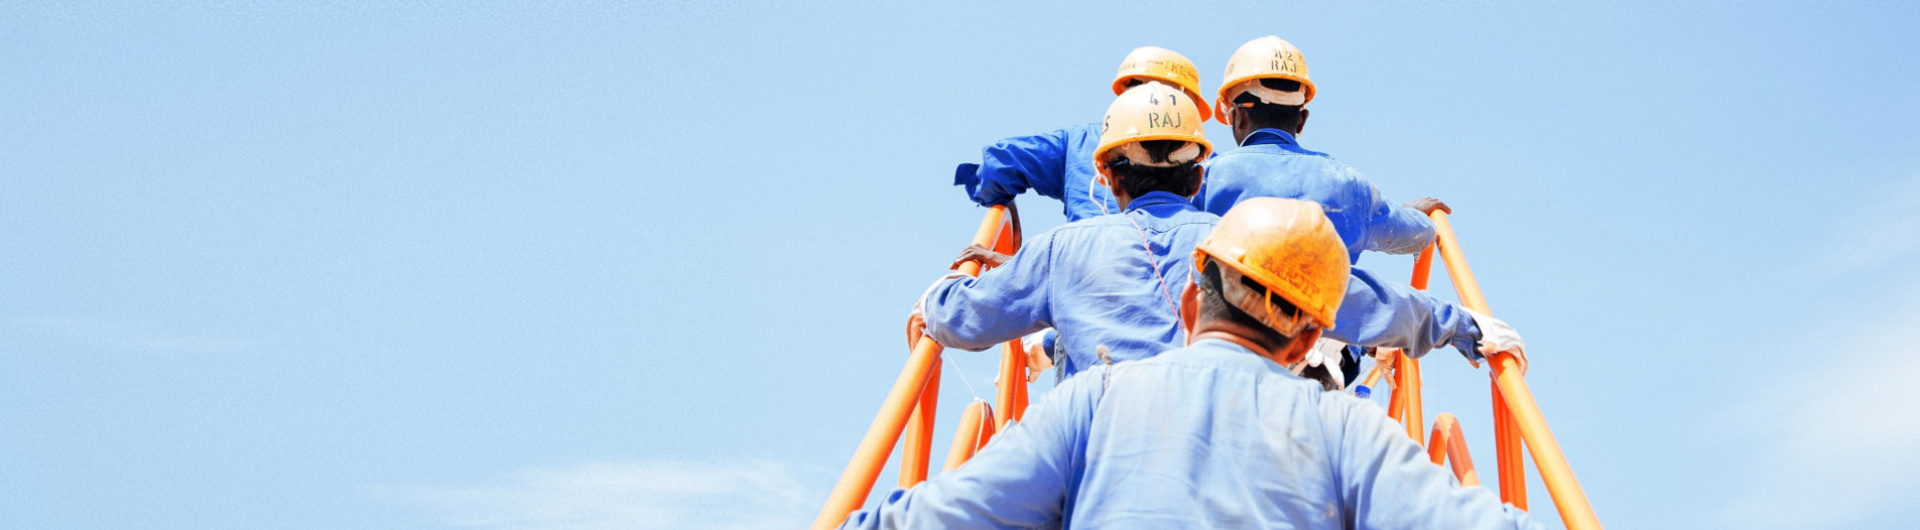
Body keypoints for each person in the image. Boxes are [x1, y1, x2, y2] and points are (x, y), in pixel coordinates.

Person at [841, 198, 1538, 529]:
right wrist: (1459, 322)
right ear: (1307, 345)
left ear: (1188, 300)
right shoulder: (1350, 431)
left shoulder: (1091, 402)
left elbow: (937, 518)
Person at [1195, 36, 1461, 384]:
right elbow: (1416, 235)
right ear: (1301, 119)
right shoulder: (1348, 183)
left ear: (1238, 115)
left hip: (1227, 351)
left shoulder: (1206, 177)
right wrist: (1417, 213)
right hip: (1322, 351)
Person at [909, 81, 1217, 379]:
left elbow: (962, 315)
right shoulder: (1233, 242)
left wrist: (933, 299)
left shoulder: (1061, 249)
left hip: (1100, 408)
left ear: (1111, 180)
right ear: (1197, 179)